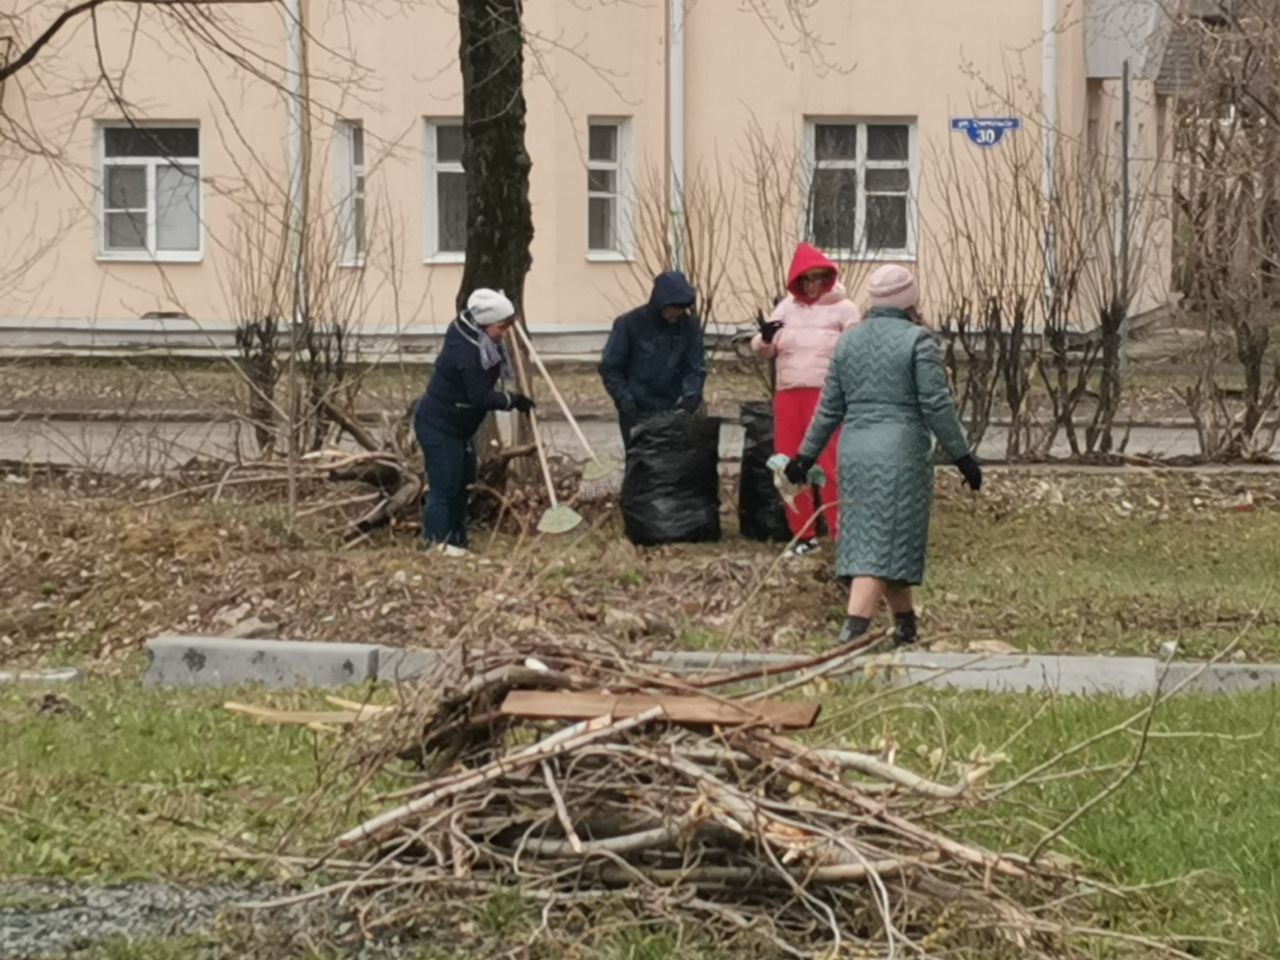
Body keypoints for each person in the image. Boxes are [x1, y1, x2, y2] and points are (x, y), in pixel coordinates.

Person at [785, 265, 982, 647]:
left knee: (883, 540)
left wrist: (803, 458)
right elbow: (936, 405)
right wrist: (962, 456)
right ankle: (850, 637)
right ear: (910, 299)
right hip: (899, 454)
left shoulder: (849, 341)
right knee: (878, 550)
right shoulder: (918, 342)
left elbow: (828, 409)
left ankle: (906, 627)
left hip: (855, 452)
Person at [752, 243, 861, 556]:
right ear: (796, 282)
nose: (812, 285)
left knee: (830, 465)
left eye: (818, 278)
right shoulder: (786, 308)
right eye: (806, 280)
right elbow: (763, 348)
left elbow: (856, 351)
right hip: (789, 394)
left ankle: (844, 534)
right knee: (788, 465)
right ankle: (803, 535)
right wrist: (765, 338)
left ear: (827, 278)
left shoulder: (845, 309)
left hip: (827, 396)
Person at [414, 288, 535, 556]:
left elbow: (494, 355)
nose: (505, 334)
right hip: (439, 425)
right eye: (502, 327)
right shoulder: (466, 351)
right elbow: (480, 396)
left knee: (463, 483)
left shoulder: (475, 334)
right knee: (444, 486)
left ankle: (457, 542)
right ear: (485, 324)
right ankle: (436, 545)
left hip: (459, 427)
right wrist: (512, 400)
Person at [599, 271, 704, 450]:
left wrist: (690, 398)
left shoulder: (689, 327)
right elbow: (611, 367)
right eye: (673, 308)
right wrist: (625, 401)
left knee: (673, 467)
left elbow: (695, 366)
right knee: (641, 466)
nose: (676, 314)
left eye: (681, 309)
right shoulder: (629, 324)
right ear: (661, 303)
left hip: (675, 410)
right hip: (637, 410)